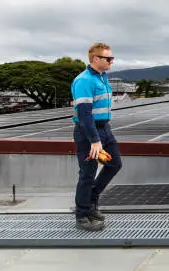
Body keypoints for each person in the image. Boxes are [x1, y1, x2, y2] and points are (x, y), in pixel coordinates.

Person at [71, 43, 123, 231]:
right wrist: (94, 140)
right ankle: (82, 215)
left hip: (104, 128)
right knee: (88, 172)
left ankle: (90, 201)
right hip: (88, 132)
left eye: (112, 58)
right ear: (95, 59)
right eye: (108, 59)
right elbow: (85, 114)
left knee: (114, 163)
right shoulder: (84, 81)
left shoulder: (102, 78)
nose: (111, 61)